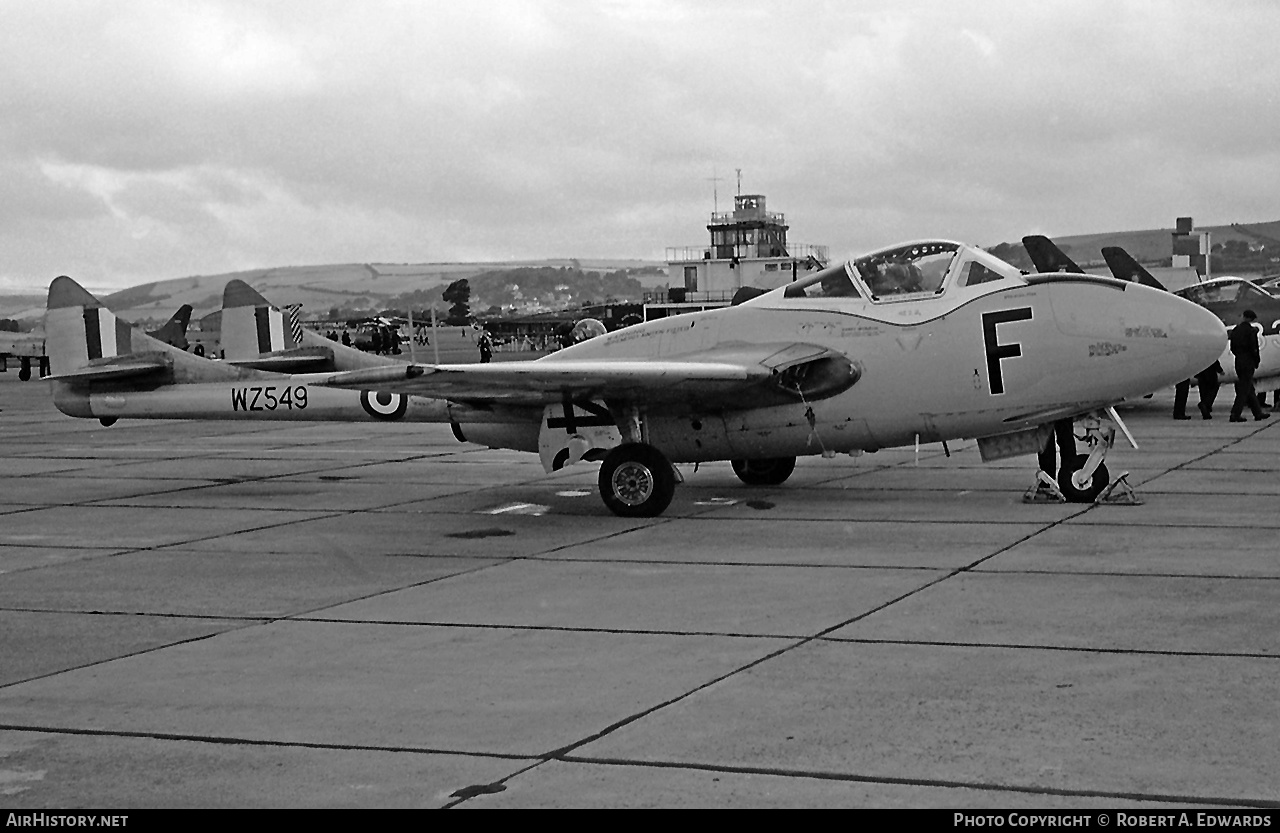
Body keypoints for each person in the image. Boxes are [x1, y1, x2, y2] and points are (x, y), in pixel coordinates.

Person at [1228, 310, 1270, 422]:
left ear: (1243, 317)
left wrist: (1239, 355)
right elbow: (1254, 348)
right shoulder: (1251, 331)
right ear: (1252, 319)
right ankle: (1235, 414)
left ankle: (1258, 413)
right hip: (1248, 362)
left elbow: (1232, 348)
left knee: (1249, 388)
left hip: (1238, 361)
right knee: (1244, 390)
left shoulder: (1236, 330)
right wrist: (1256, 361)